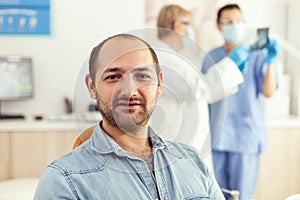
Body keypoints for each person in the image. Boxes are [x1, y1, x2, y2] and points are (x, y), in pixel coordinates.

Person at [34, 34, 226, 199]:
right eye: (113, 77)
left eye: (142, 76)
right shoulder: (63, 180)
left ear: (159, 85)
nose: (129, 90)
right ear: (92, 87)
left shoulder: (193, 161)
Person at [144, 4, 248, 166]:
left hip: (185, 141)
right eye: (189, 25)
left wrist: (232, 70)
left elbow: (203, 92)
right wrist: (231, 65)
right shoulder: (162, 58)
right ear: (177, 25)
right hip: (178, 142)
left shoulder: (175, 57)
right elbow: (197, 88)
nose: (191, 31)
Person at [201, 3, 280, 200]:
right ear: (219, 26)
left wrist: (270, 61)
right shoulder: (212, 56)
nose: (234, 26)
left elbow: (269, 92)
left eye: (238, 21)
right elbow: (204, 94)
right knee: (215, 195)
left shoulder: (258, 54)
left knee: (242, 196)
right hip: (217, 137)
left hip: (246, 137)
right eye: (228, 22)